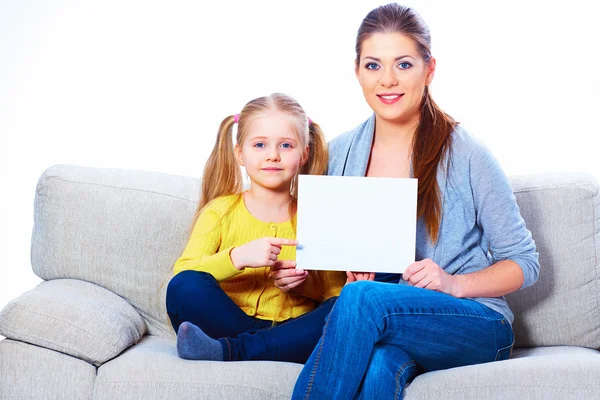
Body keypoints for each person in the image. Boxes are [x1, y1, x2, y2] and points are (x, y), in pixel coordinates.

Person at [292, 4, 540, 399]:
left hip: (477, 324)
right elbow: (342, 263)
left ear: (430, 69)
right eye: (373, 66)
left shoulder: (468, 154)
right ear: (356, 71)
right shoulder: (338, 153)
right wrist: (349, 271)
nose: (387, 80)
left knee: (360, 301)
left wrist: (454, 282)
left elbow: (525, 263)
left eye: (403, 64)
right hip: (397, 320)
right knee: (377, 366)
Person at [166, 93, 366, 364]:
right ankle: (264, 347)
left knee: (345, 307)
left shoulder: (318, 215)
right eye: (260, 145)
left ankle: (232, 351)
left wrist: (302, 286)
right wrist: (237, 257)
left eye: (286, 145)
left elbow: (332, 294)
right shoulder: (220, 211)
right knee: (183, 285)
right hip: (230, 321)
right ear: (240, 153)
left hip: (295, 327)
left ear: (304, 154)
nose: (273, 156)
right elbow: (183, 274)